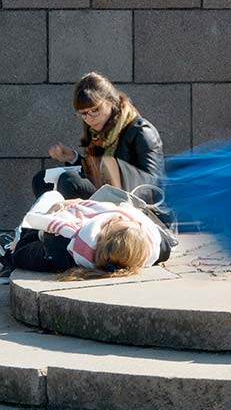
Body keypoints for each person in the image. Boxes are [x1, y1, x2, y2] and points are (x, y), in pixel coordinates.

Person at [31, 73, 164, 204]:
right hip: (106, 192)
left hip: (130, 201)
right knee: (42, 180)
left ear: (111, 101)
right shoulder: (96, 132)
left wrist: (116, 169)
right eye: (83, 114)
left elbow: (154, 187)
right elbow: (94, 172)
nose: (89, 118)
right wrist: (73, 158)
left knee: (70, 181)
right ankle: (55, 223)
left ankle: (73, 223)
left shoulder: (141, 131)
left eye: (95, 110)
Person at [3, 192, 167, 276]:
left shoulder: (61, 241)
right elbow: (164, 245)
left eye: (112, 221)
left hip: (27, 246)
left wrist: (53, 213)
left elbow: (21, 253)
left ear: (101, 234)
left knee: (51, 196)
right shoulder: (149, 251)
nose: (118, 214)